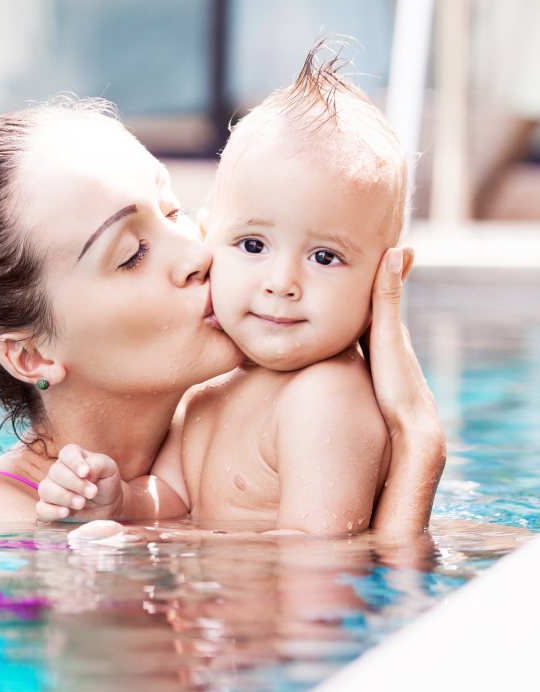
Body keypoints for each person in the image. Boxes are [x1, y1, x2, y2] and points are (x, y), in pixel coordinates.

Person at [0, 97, 444, 533]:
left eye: (174, 210)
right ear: (33, 355)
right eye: (131, 255)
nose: (199, 252)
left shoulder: (247, 416)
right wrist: (418, 446)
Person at [35, 49, 418, 536]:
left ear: (388, 275)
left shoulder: (324, 397)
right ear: (208, 237)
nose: (281, 283)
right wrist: (121, 500)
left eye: (324, 257)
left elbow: (318, 567)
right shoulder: (208, 388)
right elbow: (173, 499)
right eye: (253, 245)